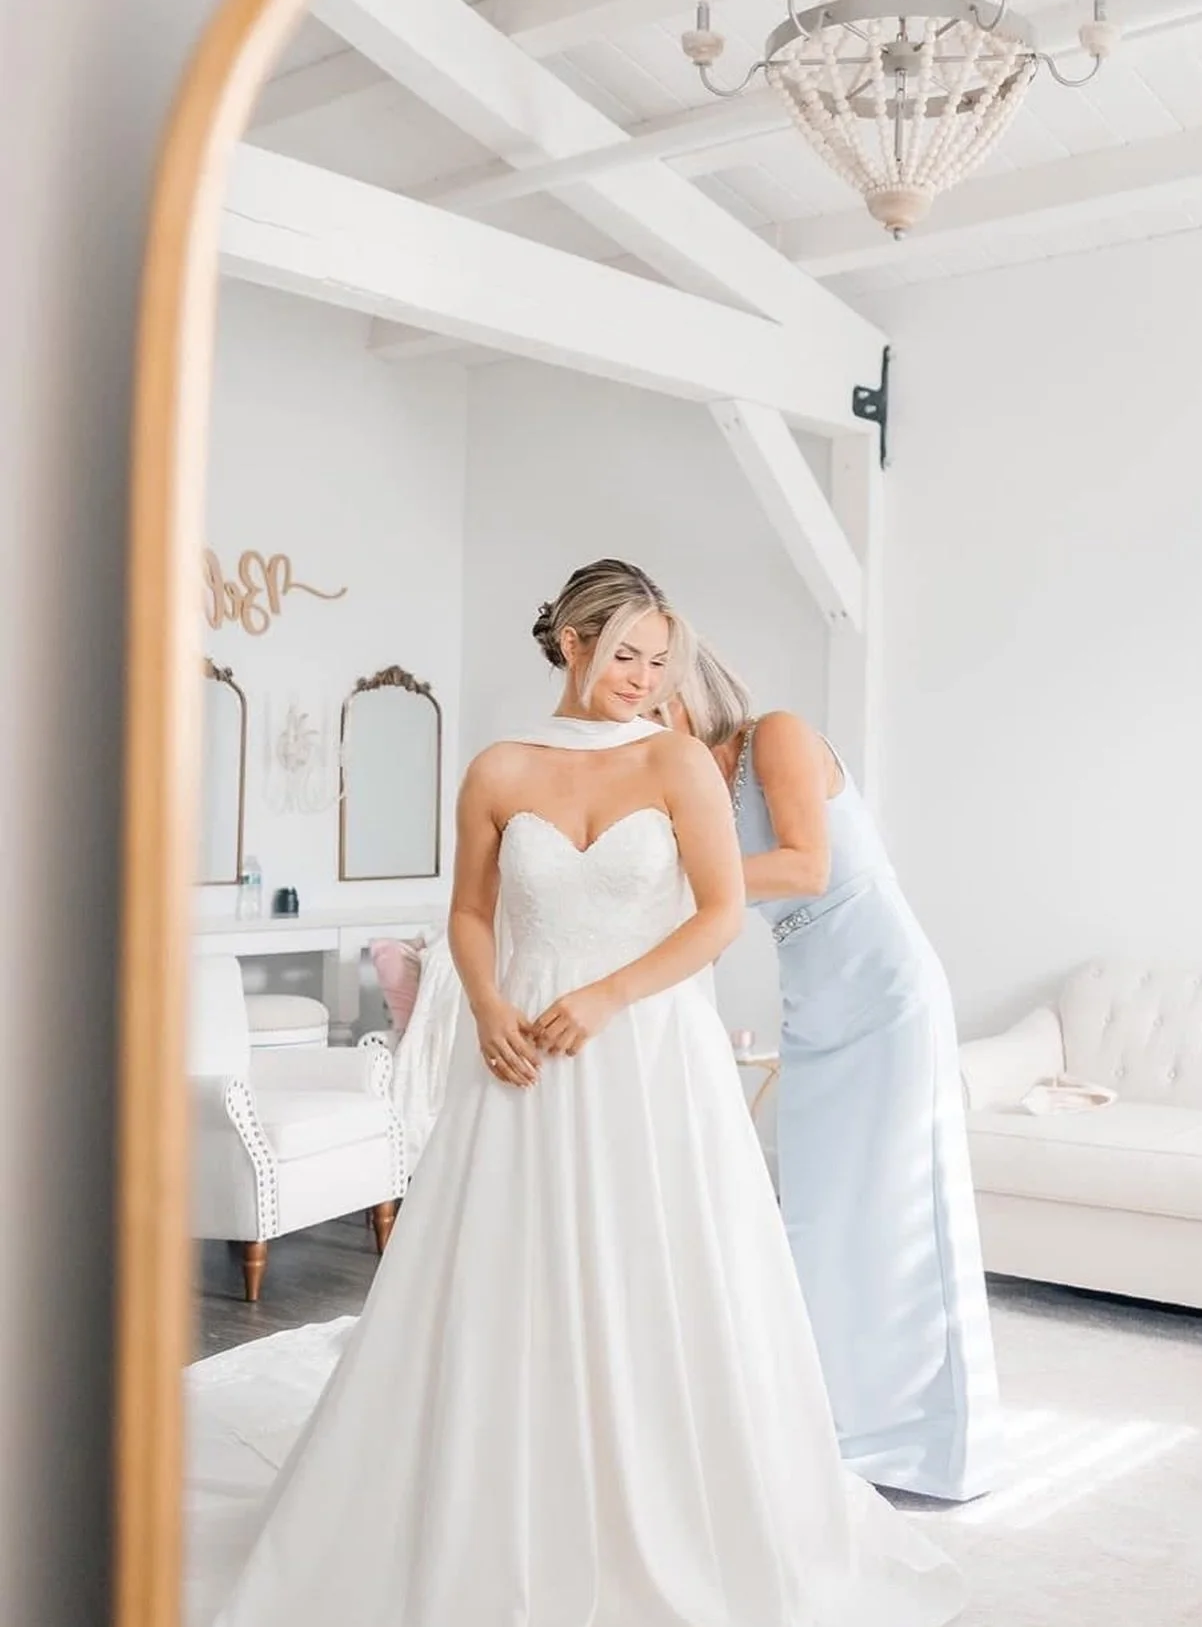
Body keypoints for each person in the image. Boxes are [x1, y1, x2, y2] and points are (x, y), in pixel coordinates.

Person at [205, 560, 965, 1627]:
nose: (644, 679)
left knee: (659, 1272)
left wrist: (607, 996)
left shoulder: (679, 762)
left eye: (660, 662)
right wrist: (486, 1003)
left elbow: (715, 913)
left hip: (647, 1050)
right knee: (501, 1277)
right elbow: (469, 913)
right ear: (570, 643)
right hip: (517, 1050)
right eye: (625, 657)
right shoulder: (499, 766)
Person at [666, 640, 1002, 1505]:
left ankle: (930, 1446)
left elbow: (805, 865)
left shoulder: (775, 733)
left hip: (886, 994)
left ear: (690, 690)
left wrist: (692, 881)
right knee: (820, 1218)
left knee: (898, 1214)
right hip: (811, 1005)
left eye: (654, 700)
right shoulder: (691, 791)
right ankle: (837, 1428)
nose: (644, 723)